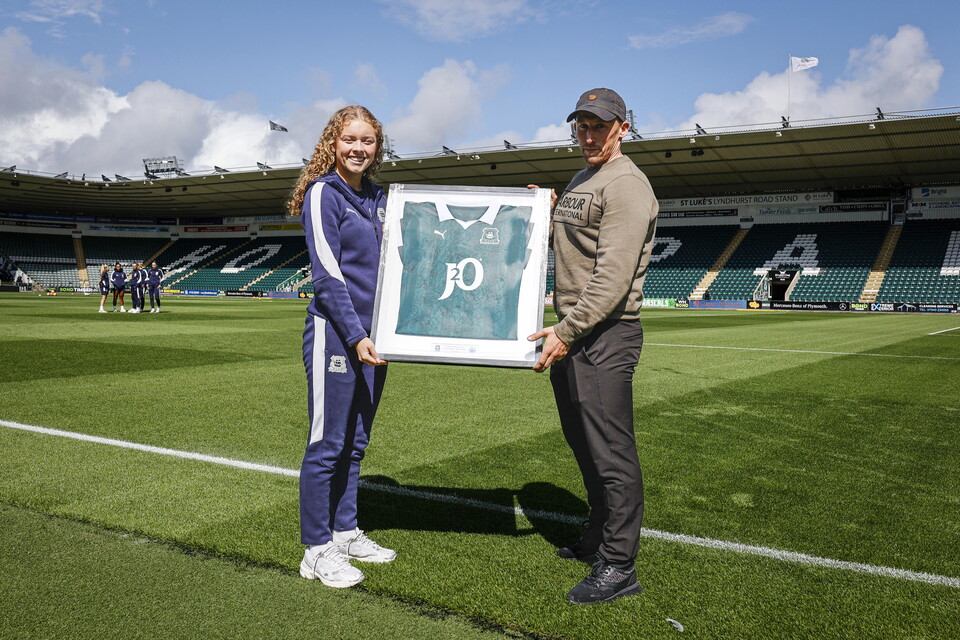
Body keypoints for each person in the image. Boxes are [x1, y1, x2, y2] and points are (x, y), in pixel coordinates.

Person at [528, 88, 659, 605]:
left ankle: (619, 565)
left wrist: (565, 331)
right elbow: (575, 238)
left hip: (603, 334)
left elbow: (611, 278)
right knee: (585, 444)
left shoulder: (627, 185)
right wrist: (545, 209)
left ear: (622, 128)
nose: (587, 135)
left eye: (598, 127)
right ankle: (598, 534)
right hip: (578, 334)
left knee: (612, 454)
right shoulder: (585, 176)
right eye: (580, 126)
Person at [288, 105, 395, 588]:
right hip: (338, 334)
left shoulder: (380, 198)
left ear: (377, 147)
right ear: (333, 142)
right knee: (327, 443)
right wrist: (357, 335)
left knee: (356, 443)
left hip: (377, 338)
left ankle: (346, 530)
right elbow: (327, 277)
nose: (358, 148)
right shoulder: (322, 194)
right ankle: (316, 548)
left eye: (367, 141)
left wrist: (533, 208)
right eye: (349, 139)